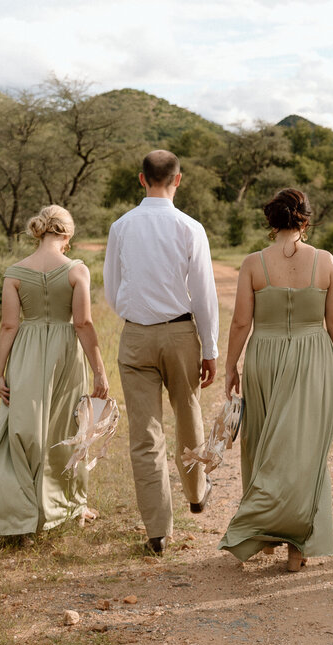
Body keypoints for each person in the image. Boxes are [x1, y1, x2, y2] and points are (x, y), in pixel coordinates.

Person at [218, 189, 333, 572]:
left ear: (271, 223)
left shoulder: (254, 263)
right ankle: (299, 546)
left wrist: (230, 365)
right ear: (306, 220)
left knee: (263, 443)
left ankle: (264, 533)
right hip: (312, 354)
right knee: (305, 447)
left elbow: (241, 322)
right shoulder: (325, 261)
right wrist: (330, 362)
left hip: (265, 355)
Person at [104, 149, 219, 556]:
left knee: (144, 434)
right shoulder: (190, 226)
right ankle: (196, 492)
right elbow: (204, 293)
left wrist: (138, 316)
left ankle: (157, 531)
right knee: (188, 412)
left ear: (141, 179)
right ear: (178, 179)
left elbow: (112, 287)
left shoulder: (121, 226)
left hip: (135, 335)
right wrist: (210, 347)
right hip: (181, 334)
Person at [0, 205, 108, 539]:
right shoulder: (77, 271)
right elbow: (83, 323)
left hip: (27, 354)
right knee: (68, 426)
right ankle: (70, 505)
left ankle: (19, 511)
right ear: (67, 234)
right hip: (66, 353)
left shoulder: (15, 272)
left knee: (22, 428)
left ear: (40, 231)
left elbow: (8, 325)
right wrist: (100, 371)